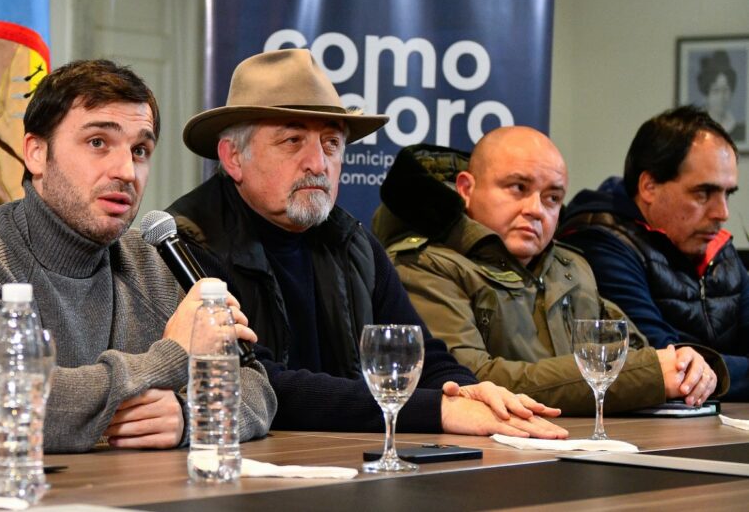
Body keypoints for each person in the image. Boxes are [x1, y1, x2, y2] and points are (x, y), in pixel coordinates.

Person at [166, 48, 566, 438]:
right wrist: (436, 410)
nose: (318, 164)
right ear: (233, 158)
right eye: (292, 141)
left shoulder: (353, 243)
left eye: (331, 144)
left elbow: (419, 354)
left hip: (346, 462)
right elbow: (257, 384)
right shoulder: (188, 243)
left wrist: (467, 391)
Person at [0, 59, 276, 452]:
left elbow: (255, 384)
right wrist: (173, 356)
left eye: (140, 150)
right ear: (36, 153)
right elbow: (5, 405)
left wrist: (189, 415)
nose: (126, 171)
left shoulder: (154, 261)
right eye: (98, 143)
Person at [373, 131, 723, 415]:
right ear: (466, 189)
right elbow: (468, 381)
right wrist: (649, 375)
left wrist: (685, 366)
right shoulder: (425, 266)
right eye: (518, 188)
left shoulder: (571, 267)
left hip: (581, 443)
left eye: (552, 197)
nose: (536, 210)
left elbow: (633, 353)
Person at [561, 106, 749, 400]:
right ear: (649, 186)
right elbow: (665, 365)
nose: (722, 213)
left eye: (728, 194)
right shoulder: (601, 242)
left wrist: (715, 373)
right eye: (702, 194)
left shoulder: (717, 246)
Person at [696, 50, 744, 142]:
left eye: (725, 90)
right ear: (706, 95)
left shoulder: (740, 129)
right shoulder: (697, 129)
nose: (721, 97)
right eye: (716, 91)